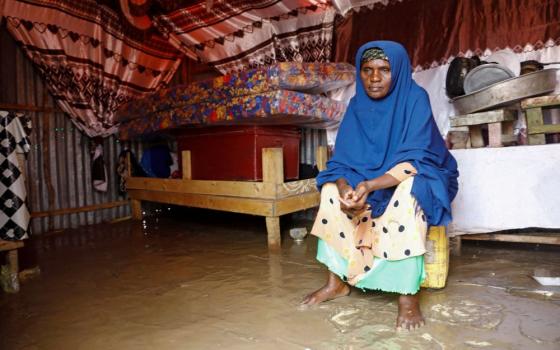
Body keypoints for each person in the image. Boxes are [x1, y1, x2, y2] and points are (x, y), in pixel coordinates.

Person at [301, 41, 459, 331]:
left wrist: (371, 185)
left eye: (384, 70)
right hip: (365, 180)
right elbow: (341, 162)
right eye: (367, 70)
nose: (374, 78)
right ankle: (336, 283)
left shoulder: (414, 98)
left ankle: (407, 297)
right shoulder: (357, 105)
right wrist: (347, 188)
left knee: (410, 191)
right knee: (329, 191)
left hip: (413, 173)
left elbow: (417, 158)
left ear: (397, 71)